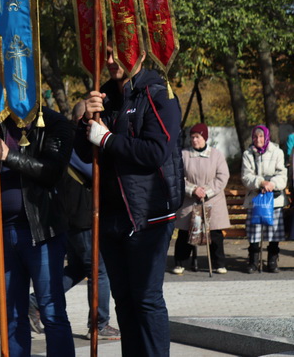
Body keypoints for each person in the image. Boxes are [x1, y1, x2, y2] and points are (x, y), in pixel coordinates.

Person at [75, 43, 183, 356]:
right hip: (111, 214)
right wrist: (86, 122)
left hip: (148, 213)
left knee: (146, 299)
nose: (109, 61)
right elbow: (85, 153)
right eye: (105, 54)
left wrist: (108, 139)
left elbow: (155, 152)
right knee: (123, 300)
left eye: (115, 53)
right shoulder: (103, 96)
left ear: (138, 51)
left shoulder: (158, 93)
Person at [0, 108, 75, 357]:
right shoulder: (0, 121)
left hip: (42, 231)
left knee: (51, 311)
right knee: (12, 314)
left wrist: (8, 155)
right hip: (4, 231)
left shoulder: (54, 122)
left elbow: (51, 172)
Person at [59, 102, 120, 341]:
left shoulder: (70, 140)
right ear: (79, 119)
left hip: (76, 215)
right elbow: (93, 170)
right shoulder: (75, 142)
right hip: (82, 216)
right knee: (98, 271)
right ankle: (99, 323)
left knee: (77, 268)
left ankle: (34, 303)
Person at [172, 123, 231, 275]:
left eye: (197, 137)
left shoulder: (216, 155)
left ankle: (219, 263)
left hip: (212, 200)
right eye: (192, 137)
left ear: (204, 137)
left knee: (215, 233)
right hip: (190, 200)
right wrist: (193, 190)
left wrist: (206, 190)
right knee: (186, 233)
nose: (194, 140)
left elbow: (223, 176)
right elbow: (178, 176)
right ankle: (180, 262)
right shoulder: (183, 154)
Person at [242, 125, 288, 273]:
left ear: (266, 137)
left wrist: (272, 184)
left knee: (274, 232)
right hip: (256, 197)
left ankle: (272, 260)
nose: (258, 139)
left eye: (261, 136)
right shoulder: (247, 154)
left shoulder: (277, 152)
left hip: (274, 198)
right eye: (255, 137)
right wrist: (260, 182)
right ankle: (253, 261)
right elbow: (246, 176)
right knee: (254, 232)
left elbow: (282, 175)